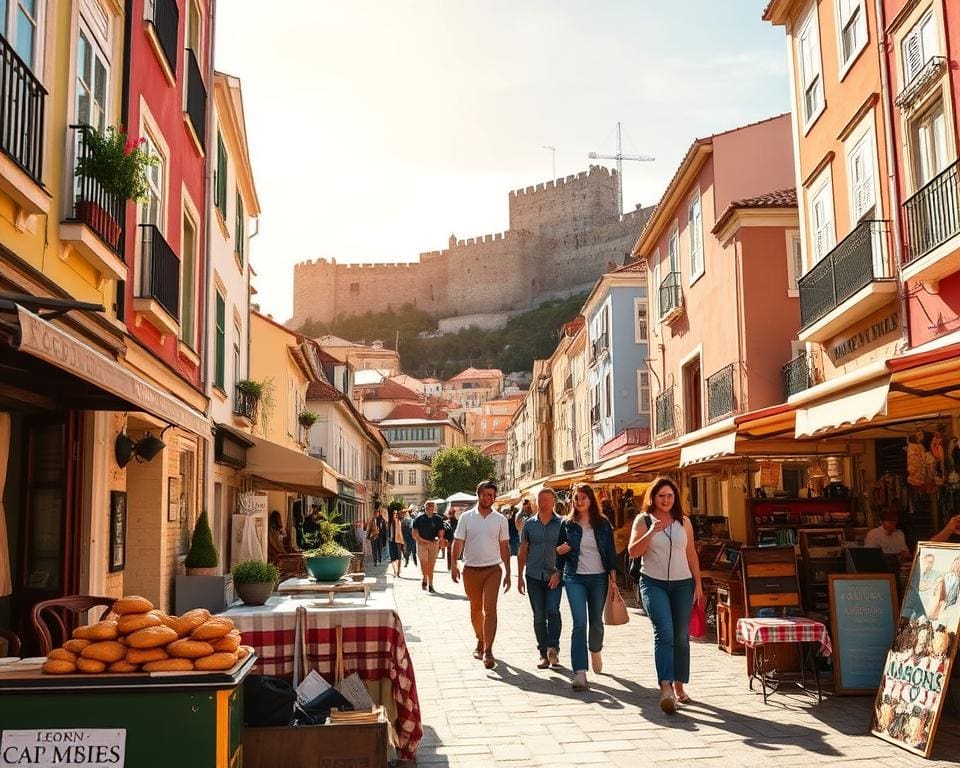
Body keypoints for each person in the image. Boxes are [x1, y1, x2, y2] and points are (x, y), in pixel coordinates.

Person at [627, 476, 704, 714]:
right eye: (662, 496)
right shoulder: (643, 520)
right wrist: (650, 531)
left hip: (683, 585)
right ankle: (665, 687)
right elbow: (633, 552)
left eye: (670, 495)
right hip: (653, 583)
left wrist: (698, 584)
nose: (666, 500)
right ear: (653, 497)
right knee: (665, 632)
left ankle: (680, 685)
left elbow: (691, 553)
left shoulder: (685, 522)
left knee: (681, 636)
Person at [555, 483, 617, 691]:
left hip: (599, 577)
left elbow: (609, 549)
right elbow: (559, 550)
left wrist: (613, 575)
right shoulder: (567, 524)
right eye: (576, 498)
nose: (579, 501)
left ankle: (596, 649)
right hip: (574, 577)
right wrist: (560, 553)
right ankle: (580, 671)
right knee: (579, 623)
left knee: (596, 622)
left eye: (583, 497)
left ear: (591, 500)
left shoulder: (603, 524)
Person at [451, 481, 511, 670]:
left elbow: (504, 546)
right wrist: (453, 564)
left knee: (490, 609)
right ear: (478, 495)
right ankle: (480, 639)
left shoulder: (500, 519)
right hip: (471, 569)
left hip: (493, 569)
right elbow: (458, 542)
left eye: (492, 495)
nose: (489, 499)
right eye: (486, 495)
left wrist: (509, 572)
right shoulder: (466, 518)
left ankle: (489, 650)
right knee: (475, 608)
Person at [517, 487, 563, 669]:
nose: (543, 503)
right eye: (540, 499)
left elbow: (568, 552)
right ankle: (543, 653)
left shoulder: (562, 524)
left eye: (547, 500)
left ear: (553, 502)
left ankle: (553, 648)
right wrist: (519, 576)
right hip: (534, 575)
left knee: (553, 610)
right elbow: (522, 550)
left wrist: (559, 571)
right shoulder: (529, 524)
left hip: (555, 575)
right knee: (538, 616)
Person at [412, 500, 445, 593]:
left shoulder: (438, 519)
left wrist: (440, 538)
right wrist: (422, 541)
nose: (430, 510)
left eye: (432, 508)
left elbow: (441, 531)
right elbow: (414, 534)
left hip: (433, 544)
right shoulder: (419, 519)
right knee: (424, 563)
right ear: (425, 508)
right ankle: (424, 577)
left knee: (431, 564)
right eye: (428, 508)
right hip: (422, 544)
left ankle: (430, 584)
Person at [387, 508, 403, 577]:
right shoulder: (389, 522)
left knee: (399, 557)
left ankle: (398, 571)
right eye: (393, 513)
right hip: (391, 541)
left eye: (396, 514)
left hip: (398, 541)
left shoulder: (399, 521)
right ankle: (395, 571)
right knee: (393, 558)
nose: (395, 515)